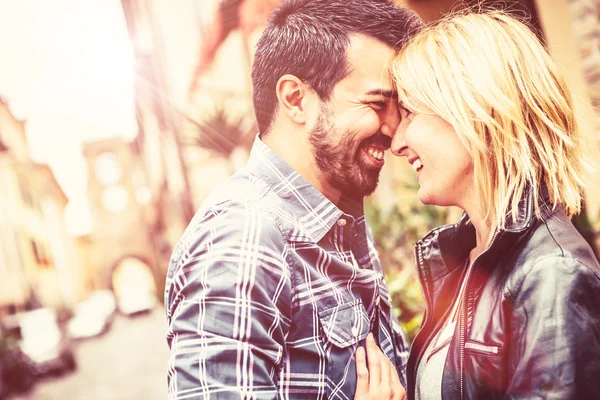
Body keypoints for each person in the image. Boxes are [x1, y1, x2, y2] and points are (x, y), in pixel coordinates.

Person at [164, 0, 422, 398]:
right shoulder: (243, 240)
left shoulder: (336, 215)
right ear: (296, 99)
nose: (394, 130)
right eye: (376, 104)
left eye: (398, 109)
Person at [389, 11, 600, 400]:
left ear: (473, 111)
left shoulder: (551, 275)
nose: (397, 142)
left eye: (409, 112)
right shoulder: (467, 260)